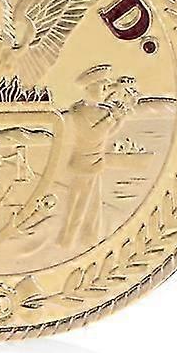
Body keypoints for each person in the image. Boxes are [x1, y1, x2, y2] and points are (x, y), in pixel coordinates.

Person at [60, 66, 139, 247]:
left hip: (94, 164)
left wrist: (120, 117)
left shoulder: (101, 111)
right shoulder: (79, 112)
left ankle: (89, 238)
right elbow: (93, 134)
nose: (106, 91)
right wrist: (112, 118)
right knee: (79, 205)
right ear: (90, 88)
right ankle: (69, 240)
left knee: (93, 206)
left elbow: (107, 133)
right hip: (83, 165)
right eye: (103, 87)